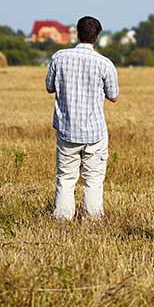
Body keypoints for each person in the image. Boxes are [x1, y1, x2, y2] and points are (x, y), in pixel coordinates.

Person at [45, 16, 118, 220]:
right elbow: (113, 96)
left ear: (77, 33)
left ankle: (62, 218)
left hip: (67, 130)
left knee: (66, 178)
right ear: (97, 36)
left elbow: (49, 87)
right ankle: (93, 219)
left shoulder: (59, 57)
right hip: (94, 132)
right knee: (93, 179)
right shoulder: (105, 64)